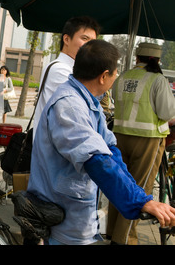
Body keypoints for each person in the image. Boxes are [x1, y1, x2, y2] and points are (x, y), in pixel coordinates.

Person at [26, 39, 175, 245]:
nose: (116, 76)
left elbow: (111, 153)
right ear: (104, 76)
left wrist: (140, 197)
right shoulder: (70, 106)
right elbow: (97, 161)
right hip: (62, 215)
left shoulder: (88, 102)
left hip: (76, 212)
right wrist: (140, 201)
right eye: (114, 73)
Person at [107, 42, 175, 245]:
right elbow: (167, 113)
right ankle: (125, 239)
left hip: (119, 137)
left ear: (137, 58)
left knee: (119, 185)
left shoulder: (122, 77)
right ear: (157, 60)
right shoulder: (157, 79)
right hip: (148, 140)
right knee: (141, 189)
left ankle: (112, 232)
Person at [33, 16, 100, 139]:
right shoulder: (60, 70)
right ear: (67, 39)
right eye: (84, 39)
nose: (90, 46)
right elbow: (78, 111)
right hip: (52, 149)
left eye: (93, 42)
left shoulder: (73, 70)